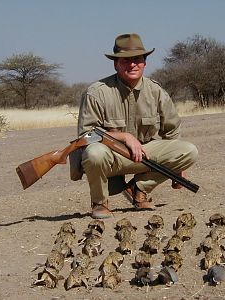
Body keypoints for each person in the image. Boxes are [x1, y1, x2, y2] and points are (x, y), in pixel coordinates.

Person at [77, 33, 198, 219]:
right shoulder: (96, 93)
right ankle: (100, 203)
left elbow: (171, 130)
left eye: (137, 59)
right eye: (125, 60)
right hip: (111, 158)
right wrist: (124, 137)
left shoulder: (156, 90)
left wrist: (177, 168)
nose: (132, 64)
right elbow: (86, 135)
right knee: (94, 153)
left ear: (145, 62)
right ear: (116, 64)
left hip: (146, 155)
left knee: (189, 151)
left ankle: (138, 189)